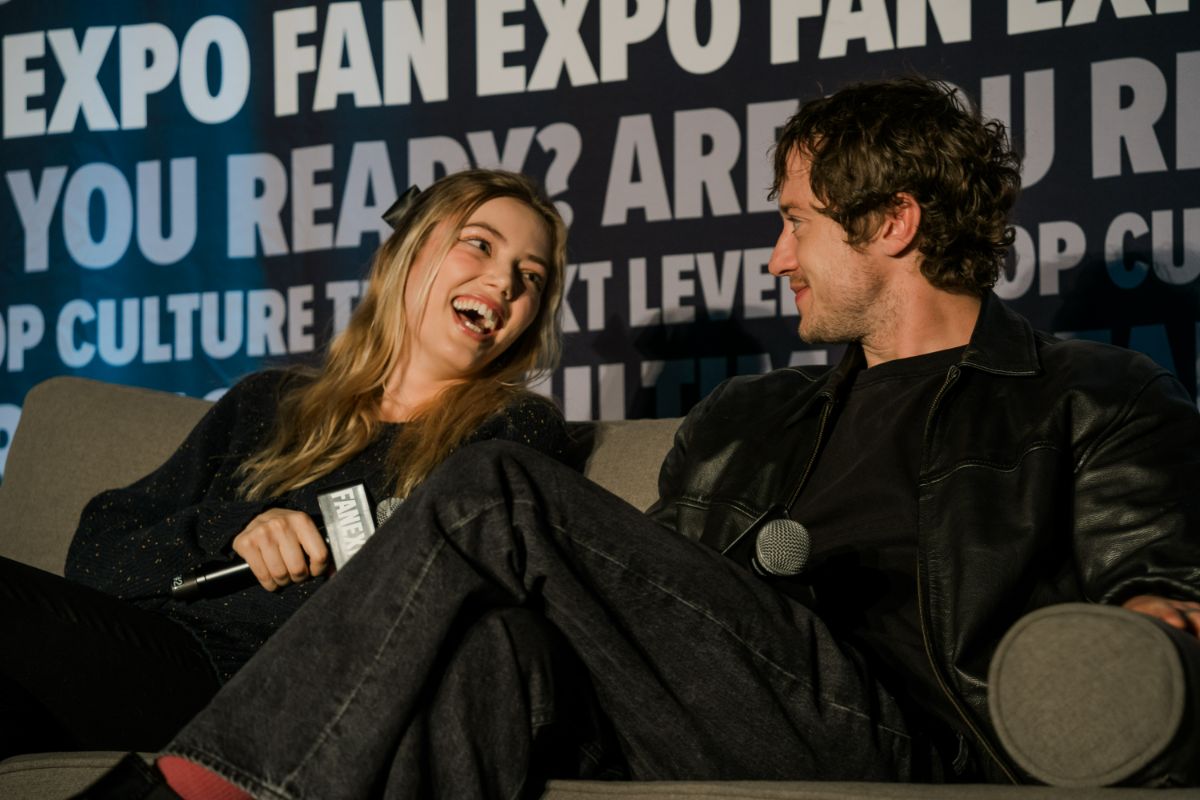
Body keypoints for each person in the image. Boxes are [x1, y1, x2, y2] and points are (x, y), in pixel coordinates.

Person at [80, 77, 1200, 799]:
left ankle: (181, 789)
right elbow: (643, 594)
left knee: (496, 487)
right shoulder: (752, 420)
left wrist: (1157, 640)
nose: (775, 256)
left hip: (900, 728)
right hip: (712, 705)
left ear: (893, 222)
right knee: (491, 651)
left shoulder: (1086, 392)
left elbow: (1166, 589)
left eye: (796, 219)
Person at [0, 168, 572, 760]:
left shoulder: (512, 427)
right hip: (151, 648)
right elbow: (97, 551)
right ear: (409, 247)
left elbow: (471, 618)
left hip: (270, 695)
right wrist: (236, 529)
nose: (505, 280)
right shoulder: (267, 401)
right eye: (479, 243)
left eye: (531, 276)